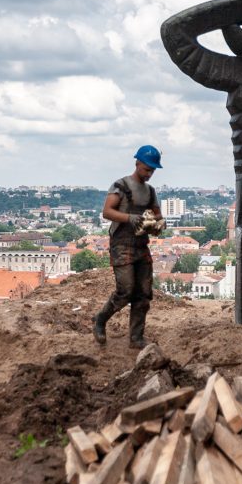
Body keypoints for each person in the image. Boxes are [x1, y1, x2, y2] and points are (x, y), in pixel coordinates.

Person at [93, 145, 166, 349]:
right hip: (122, 245)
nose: (149, 174)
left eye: (152, 170)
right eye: (146, 169)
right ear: (137, 163)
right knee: (125, 290)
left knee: (143, 292)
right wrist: (129, 218)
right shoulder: (121, 186)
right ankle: (100, 320)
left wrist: (158, 225)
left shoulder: (150, 192)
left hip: (141, 245)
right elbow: (107, 211)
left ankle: (136, 337)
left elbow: (157, 215)